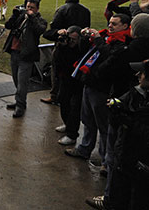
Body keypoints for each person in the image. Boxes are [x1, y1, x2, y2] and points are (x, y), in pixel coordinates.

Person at [64, 14, 131, 173]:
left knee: (104, 126)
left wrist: (98, 39)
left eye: (114, 24)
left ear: (125, 26)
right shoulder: (107, 37)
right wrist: (86, 39)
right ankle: (85, 148)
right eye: (110, 23)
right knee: (88, 120)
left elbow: (109, 55)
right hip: (90, 83)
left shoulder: (123, 42)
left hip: (102, 88)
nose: (110, 26)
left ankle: (105, 160)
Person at [85, 60, 149, 210]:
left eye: (142, 73)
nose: (138, 75)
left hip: (141, 164)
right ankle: (111, 201)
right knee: (120, 191)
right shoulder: (136, 93)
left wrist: (128, 120)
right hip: (124, 155)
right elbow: (115, 121)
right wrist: (116, 111)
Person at [41, 0, 91, 105]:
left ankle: (54, 95)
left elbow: (53, 30)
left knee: (56, 71)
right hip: (79, 49)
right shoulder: (86, 11)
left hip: (63, 48)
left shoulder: (62, 9)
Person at [3, 0, 48, 118]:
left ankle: (20, 106)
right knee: (16, 79)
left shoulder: (40, 20)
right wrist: (14, 15)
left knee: (22, 82)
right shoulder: (21, 17)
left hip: (26, 55)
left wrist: (32, 17)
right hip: (15, 51)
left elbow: (40, 30)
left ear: (37, 9)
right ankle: (20, 101)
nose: (29, 10)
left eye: (32, 8)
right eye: (28, 7)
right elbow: (8, 26)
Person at [43, 26, 87, 145]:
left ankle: (72, 134)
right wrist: (59, 36)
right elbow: (46, 34)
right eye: (70, 38)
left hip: (77, 82)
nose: (71, 42)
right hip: (64, 79)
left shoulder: (82, 49)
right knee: (63, 101)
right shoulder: (64, 46)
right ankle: (68, 125)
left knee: (74, 108)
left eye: (74, 39)